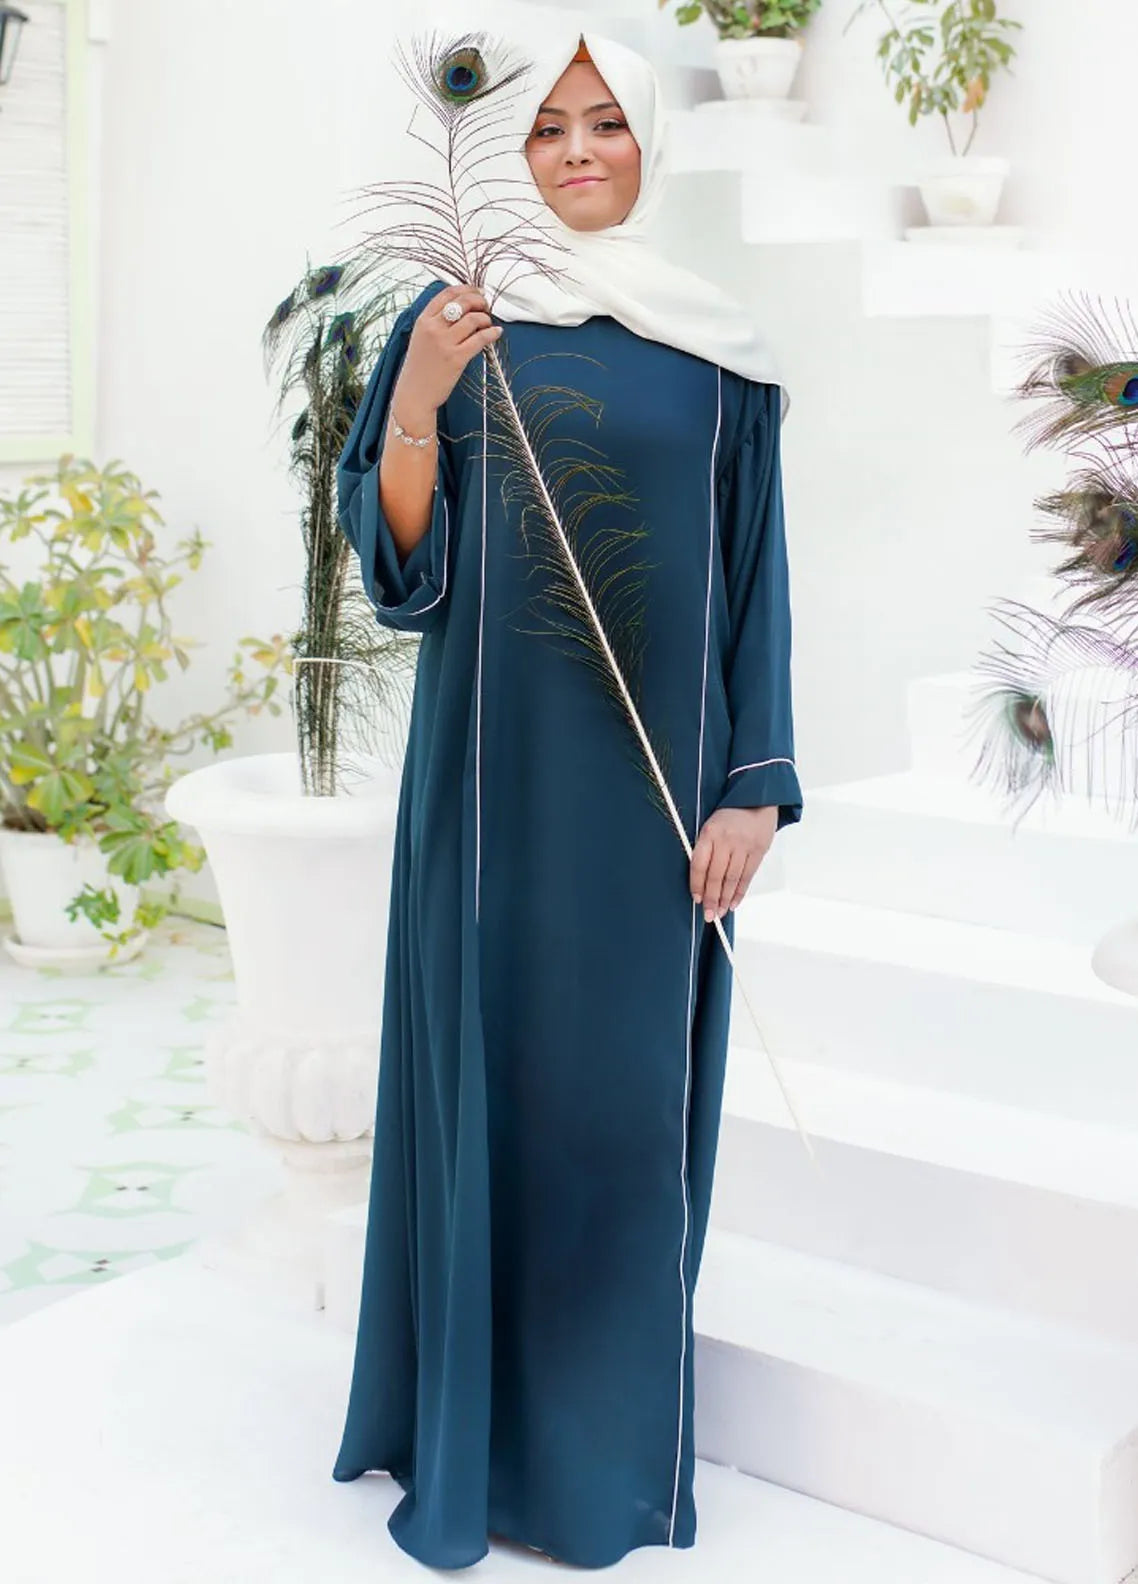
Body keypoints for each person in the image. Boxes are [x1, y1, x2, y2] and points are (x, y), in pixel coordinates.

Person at [330, 20, 804, 1572]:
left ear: (649, 140)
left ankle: (600, 1469)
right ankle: (464, 1443)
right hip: (490, 802)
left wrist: (753, 790)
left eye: (606, 122)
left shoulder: (723, 352)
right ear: (510, 151)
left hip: (658, 819)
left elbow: (755, 583)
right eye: (548, 128)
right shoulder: (457, 319)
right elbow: (400, 570)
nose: (579, 150)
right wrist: (421, 389)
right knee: (488, 1090)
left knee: (619, 1120)